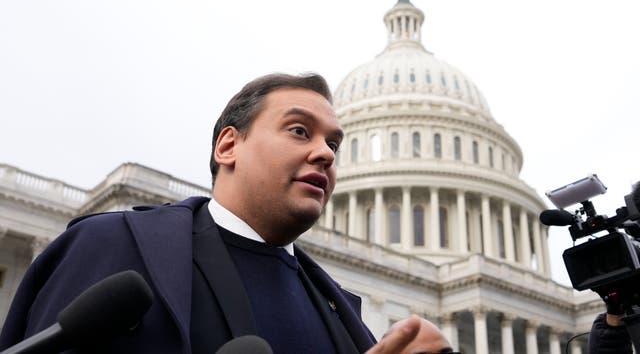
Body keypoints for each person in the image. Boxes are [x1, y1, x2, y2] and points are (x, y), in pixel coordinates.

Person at [0, 73, 454, 353]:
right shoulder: (116, 247)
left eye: (334, 144)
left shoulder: (343, 314)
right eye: (300, 131)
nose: (325, 154)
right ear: (229, 145)